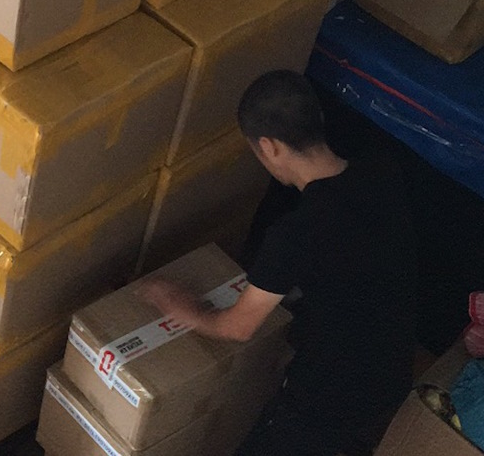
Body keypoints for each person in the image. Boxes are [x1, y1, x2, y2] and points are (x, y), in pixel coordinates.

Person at [141, 70, 416, 456]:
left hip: (331, 394)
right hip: (395, 368)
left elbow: (237, 327)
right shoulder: (381, 171)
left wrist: (183, 307)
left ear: (269, 147)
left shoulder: (296, 234)